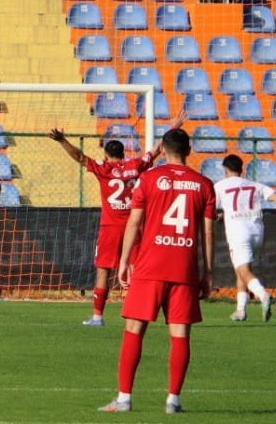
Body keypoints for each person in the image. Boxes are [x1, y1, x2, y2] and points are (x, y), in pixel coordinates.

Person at [99, 128, 216, 414]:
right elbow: (208, 233)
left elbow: (134, 223)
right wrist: (208, 272)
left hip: (150, 265)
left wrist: (125, 260)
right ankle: (173, 401)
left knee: (134, 329)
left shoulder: (149, 179)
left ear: (162, 149)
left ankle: (124, 399)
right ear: (189, 150)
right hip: (184, 267)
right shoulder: (204, 184)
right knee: (180, 335)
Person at [47, 128, 162, 326]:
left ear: (106, 155)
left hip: (110, 227)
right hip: (132, 226)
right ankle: (137, 313)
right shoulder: (136, 165)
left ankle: (98, 317)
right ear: (123, 154)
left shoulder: (104, 168)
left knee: (103, 271)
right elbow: (157, 149)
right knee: (135, 270)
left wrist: (62, 140)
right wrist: (174, 126)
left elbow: (80, 157)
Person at [213, 154, 274, 322]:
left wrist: (217, 217)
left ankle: (263, 295)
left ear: (225, 170)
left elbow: (212, 208)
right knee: (241, 268)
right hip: (257, 231)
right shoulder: (255, 185)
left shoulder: (220, 185)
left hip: (238, 231)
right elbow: (273, 196)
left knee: (244, 270)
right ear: (242, 169)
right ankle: (240, 310)